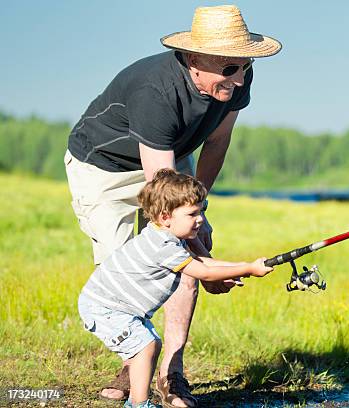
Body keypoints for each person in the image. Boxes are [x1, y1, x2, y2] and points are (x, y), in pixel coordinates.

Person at [64, 4, 281, 406]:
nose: (238, 78)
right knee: (134, 264)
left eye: (245, 66)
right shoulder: (156, 91)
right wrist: (203, 259)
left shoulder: (238, 77)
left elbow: (216, 141)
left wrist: (203, 211)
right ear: (194, 59)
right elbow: (165, 201)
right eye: (228, 69)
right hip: (105, 169)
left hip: (170, 158)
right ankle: (134, 360)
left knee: (188, 240)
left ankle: (172, 372)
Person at [78, 169, 274, 408]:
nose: (200, 219)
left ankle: (137, 401)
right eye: (192, 213)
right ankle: (138, 404)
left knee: (149, 344)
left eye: (201, 211)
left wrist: (247, 266)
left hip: (118, 308)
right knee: (146, 345)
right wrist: (247, 269)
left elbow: (205, 262)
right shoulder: (162, 245)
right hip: (105, 308)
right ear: (165, 216)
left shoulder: (168, 236)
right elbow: (204, 272)